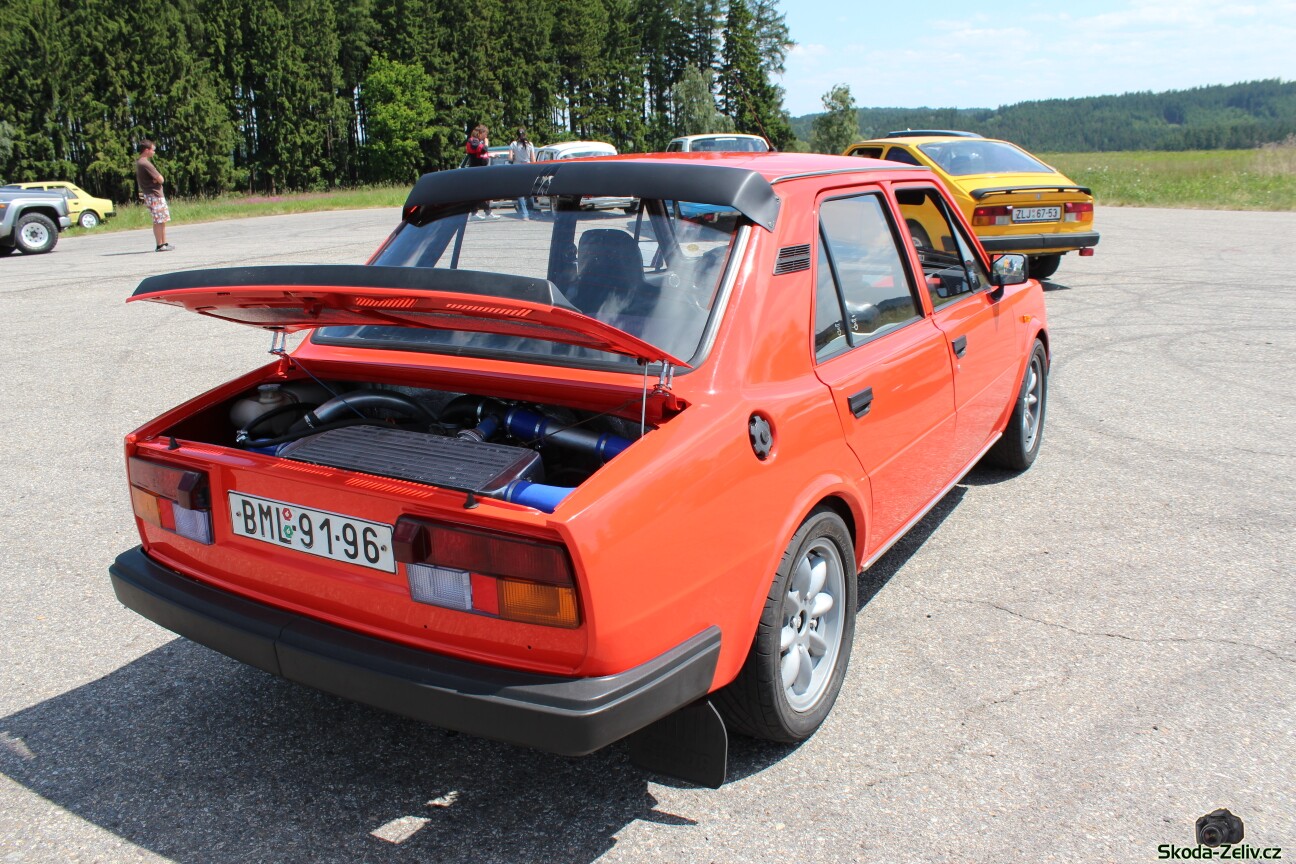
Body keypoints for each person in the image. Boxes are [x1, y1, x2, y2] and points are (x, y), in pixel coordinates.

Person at [135, 139, 173, 251]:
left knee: (162, 220)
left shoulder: (141, 162)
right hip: (154, 195)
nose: (154, 152)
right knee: (158, 220)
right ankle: (159, 245)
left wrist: (156, 180)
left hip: (155, 195)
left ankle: (164, 243)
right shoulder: (145, 163)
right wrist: (157, 180)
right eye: (153, 149)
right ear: (146, 150)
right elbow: (161, 179)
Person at [464, 125, 498, 220]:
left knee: (484, 192)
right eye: (485, 133)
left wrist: (490, 155)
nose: (486, 136)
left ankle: (486, 212)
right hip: (476, 170)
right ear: (480, 133)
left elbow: (482, 154)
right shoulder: (473, 141)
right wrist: (486, 143)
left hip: (481, 170)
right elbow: (483, 149)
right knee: (479, 192)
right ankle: (475, 212)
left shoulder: (478, 141)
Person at [508, 127, 536, 220]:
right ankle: (531, 212)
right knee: (529, 191)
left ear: (517, 135)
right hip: (528, 168)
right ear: (525, 134)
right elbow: (533, 159)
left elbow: (510, 158)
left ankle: (524, 214)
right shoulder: (530, 144)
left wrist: (514, 157)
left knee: (520, 192)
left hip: (517, 169)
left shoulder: (513, 144)